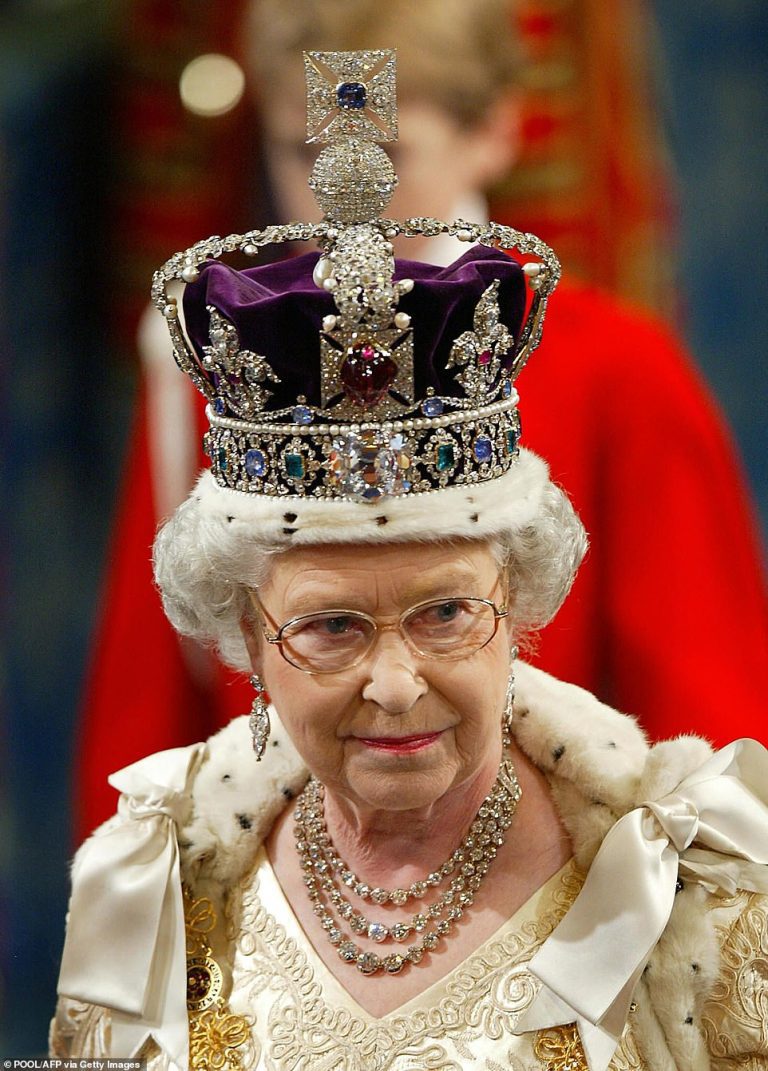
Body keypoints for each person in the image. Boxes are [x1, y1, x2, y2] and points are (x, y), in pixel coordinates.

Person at [53, 50, 768, 1070]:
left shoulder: (675, 895)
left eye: (444, 613)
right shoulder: (153, 896)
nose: (394, 685)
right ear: (247, 636)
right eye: (330, 625)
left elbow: (710, 676)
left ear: (518, 603)